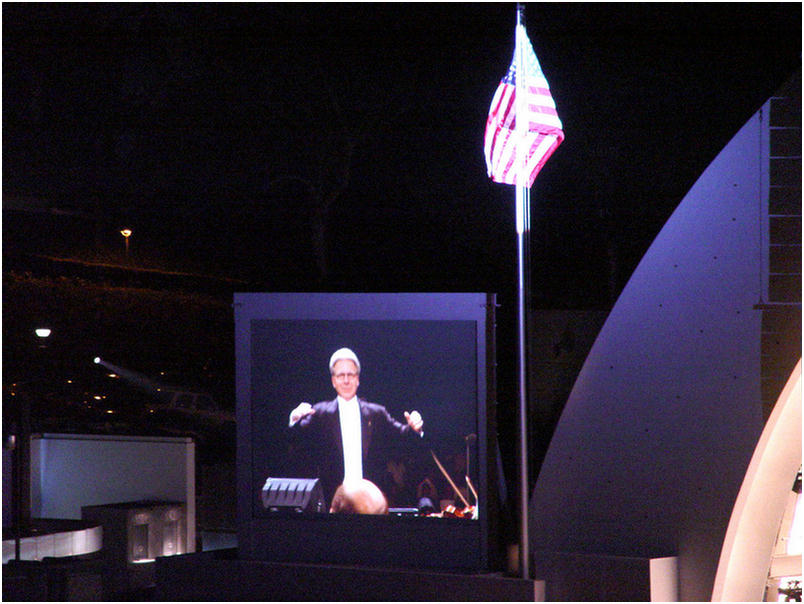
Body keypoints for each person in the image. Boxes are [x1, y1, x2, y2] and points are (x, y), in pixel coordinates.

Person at [288, 347, 424, 507]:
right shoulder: (320, 413)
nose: (346, 380)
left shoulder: (376, 413)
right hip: (332, 501)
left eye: (351, 375)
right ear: (333, 381)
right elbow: (296, 442)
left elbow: (403, 437)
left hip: (370, 501)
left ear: (358, 379)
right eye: (340, 375)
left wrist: (415, 428)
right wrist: (293, 419)